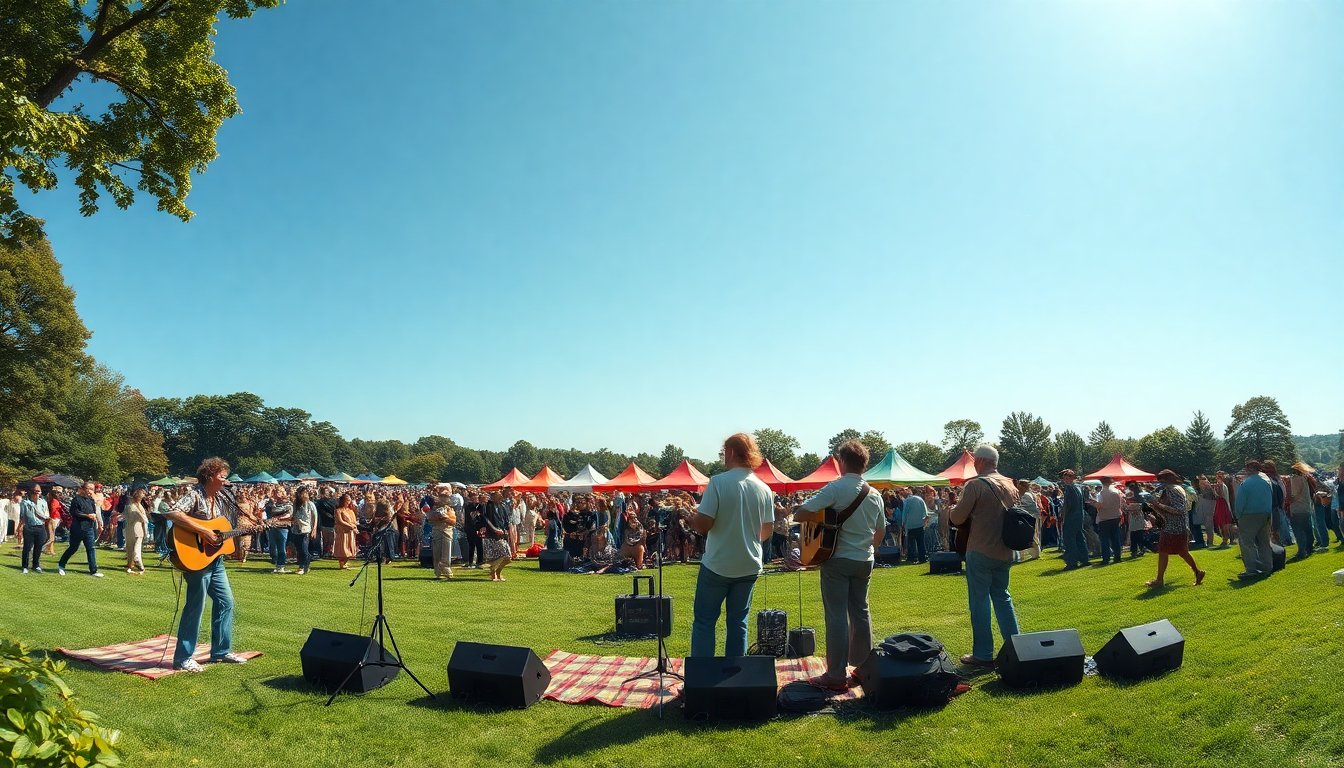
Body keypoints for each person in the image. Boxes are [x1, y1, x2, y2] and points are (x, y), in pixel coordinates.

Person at [791, 439, 885, 690]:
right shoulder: (875, 494)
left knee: (836, 616)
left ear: (842, 461)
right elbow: (880, 531)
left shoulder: (835, 488)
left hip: (838, 559)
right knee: (861, 612)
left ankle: (835, 674)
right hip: (865, 559)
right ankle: (863, 667)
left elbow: (800, 513)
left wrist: (820, 522)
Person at [689, 433, 773, 658]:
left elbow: (704, 523)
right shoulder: (764, 488)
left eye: (723, 452)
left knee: (705, 622)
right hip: (749, 565)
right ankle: (735, 675)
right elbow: (766, 531)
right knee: (738, 623)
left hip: (718, 564)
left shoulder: (718, 482)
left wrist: (692, 518)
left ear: (731, 452)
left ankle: (703, 677)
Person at [166, 457, 248, 671]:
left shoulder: (220, 499)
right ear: (210, 476)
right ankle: (183, 658)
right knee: (196, 605)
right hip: (195, 557)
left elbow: (220, 529)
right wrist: (203, 531)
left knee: (226, 602)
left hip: (215, 560)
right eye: (222, 476)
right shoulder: (194, 494)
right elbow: (173, 512)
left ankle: (221, 651)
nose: (225, 481)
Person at [948, 445, 1021, 668]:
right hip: (1005, 550)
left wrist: (951, 509)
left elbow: (958, 518)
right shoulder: (1010, 484)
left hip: (980, 550)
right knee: (1003, 598)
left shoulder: (975, 485)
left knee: (979, 602)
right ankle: (1016, 647)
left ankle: (983, 653)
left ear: (979, 461)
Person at [1144, 470, 1205, 588]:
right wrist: (1154, 506)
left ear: (1166, 480)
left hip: (1174, 527)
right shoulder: (1174, 489)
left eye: (1161, 481)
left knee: (1163, 551)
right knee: (1182, 552)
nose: (1159, 484)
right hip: (1175, 526)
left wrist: (1158, 504)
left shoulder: (1174, 490)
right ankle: (1198, 572)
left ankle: (1159, 581)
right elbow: (1167, 511)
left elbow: (1179, 510)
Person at [1233, 460, 1275, 579]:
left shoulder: (1246, 483)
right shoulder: (1266, 479)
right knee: (1264, 542)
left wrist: (1238, 516)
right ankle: (1267, 566)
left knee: (1247, 543)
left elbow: (1240, 502)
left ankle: (1251, 569)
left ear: (1250, 469)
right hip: (1266, 513)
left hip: (1249, 515)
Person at [57, 482, 103, 577]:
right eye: (89, 489)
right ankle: (61, 565)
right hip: (78, 528)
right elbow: (74, 512)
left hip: (89, 528)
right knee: (73, 548)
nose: (90, 491)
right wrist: (87, 516)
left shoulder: (91, 500)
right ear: (83, 489)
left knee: (91, 549)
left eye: (92, 489)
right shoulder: (76, 499)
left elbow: (94, 512)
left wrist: (96, 519)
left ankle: (93, 570)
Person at [1285, 461, 1318, 558]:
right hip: (1306, 508)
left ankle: (1302, 551)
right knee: (1307, 529)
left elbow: (1295, 495)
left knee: (1298, 530)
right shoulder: (1305, 479)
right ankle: (1309, 548)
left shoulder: (1295, 479)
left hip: (1297, 508)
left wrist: (1288, 501)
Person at [1058, 469, 1090, 569]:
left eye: (1068, 477)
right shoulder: (1078, 488)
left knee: (1070, 540)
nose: (1066, 480)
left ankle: (1072, 562)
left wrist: (1062, 515)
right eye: (1065, 478)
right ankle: (1084, 559)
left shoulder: (1069, 489)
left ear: (1072, 478)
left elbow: (1068, 505)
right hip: (1079, 517)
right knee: (1080, 538)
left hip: (1071, 517)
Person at [481, 490, 512, 581]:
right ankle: (494, 573)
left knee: (507, 557)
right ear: (493, 496)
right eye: (498, 496)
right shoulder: (487, 506)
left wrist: (506, 530)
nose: (500, 497)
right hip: (492, 535)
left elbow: (506, 520)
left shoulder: (502, 506)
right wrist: (494, 529)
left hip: (502, 535)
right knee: (498, 556)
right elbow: (485, 519)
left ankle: (498, 572)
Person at [1094, 477, 1125, 566]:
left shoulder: (1100, 494)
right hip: (1115, 517)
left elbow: (1100, 506)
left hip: (1105, 518)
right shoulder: (1116, 492)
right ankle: (1117, 557)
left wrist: (1094, 504)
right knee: (1115, 538)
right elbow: (1119, 505)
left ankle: (1106, 558)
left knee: (1104, 539)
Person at [20, 486, 50, 573]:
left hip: (41, 527)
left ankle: (36, 565)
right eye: (35, 491)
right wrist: (20, 528)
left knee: (38, 547)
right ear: (31, 492)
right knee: (27, 548)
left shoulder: (43, 502)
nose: (37, 493)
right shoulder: (25, 502)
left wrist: (45, 518)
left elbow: (46, 513)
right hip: (29, 527)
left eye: (38, 491)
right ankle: (25, 566)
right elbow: (22, 516)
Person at [428, 489, 457, 580]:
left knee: (446, 552)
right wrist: (437, 517)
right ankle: (438, 571)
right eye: (442, 497)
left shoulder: (450, 509)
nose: (444, 499)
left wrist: (445, 518)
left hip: (447, 531)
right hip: (436, 530)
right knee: (436, 552)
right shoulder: (433, 508)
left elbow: (453, 521)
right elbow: (429, 520)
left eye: (446, 497)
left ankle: (446, 568)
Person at [290, 486, 317, 574]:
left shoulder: (310, 504)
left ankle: (304, 566)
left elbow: (314, 517)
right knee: (299, 549)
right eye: (301, 493)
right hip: (296, 529)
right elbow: (293, 515)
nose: (302, 495)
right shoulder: (295, 504)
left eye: (304, 493)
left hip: (306, 529)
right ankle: (302, 566)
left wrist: (314, 529)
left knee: (304, 549)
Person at [123, 487, 150, 574]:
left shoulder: (129, 506)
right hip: (137, 528)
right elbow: (144, 519)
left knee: (130, 547)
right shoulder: (136, 507)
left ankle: (130, 564)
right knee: (136, 548)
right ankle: (138, 564)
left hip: (129, 528)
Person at [901, 485, 929, 564]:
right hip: (920, 524)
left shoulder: (907, 501)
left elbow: (905, 513)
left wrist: (903, 523)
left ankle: (912, 557)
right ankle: (922, 557)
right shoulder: (920, 499)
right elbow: (925, 512)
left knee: (911, 543)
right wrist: (925, 521)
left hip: (910, 525)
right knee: (921, 542)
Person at [332, 493, 359, 569]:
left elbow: (354, 521)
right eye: (347, 500)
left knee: (350, 547)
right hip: (342, 532)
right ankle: (341, 563)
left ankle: (345, 563)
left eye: (349, 500)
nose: (349, 502)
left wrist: (354, 528)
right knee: (343, 547)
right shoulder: (338, 511)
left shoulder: (351, 511)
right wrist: (351, 526)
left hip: (350, 532)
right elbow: (340, 521)